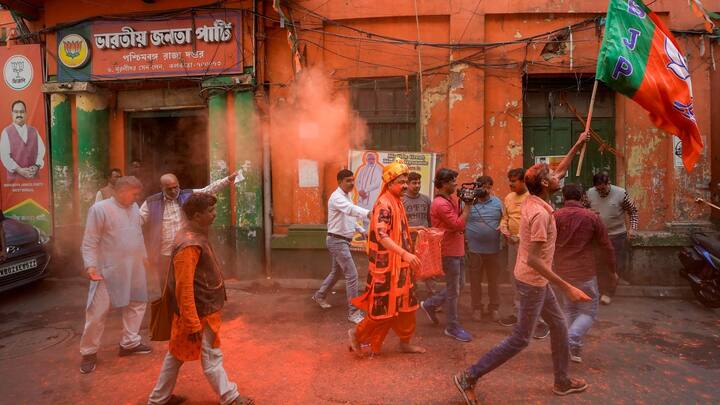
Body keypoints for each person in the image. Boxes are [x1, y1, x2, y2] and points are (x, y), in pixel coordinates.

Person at [453, 134, 592, 403]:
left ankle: (562, 381)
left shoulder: (534, 198)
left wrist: (577, 143)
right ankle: (468, 376)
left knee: (560, 326)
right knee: (520, 339)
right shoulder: (540, 214)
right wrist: (567, 286)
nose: (558, 176)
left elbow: (561, 169)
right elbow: (534, 261)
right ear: (544, 184)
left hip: (535, 281)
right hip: (532, 281)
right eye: (552, 175)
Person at [148, 193, 253, 405]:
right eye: (210, 211)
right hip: (199, 313)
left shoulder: (192, 234)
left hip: (196, 311)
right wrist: (192, 321)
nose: (215, 215)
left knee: (175, 355)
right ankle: (230, 397)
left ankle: (158, 399)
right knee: (211, 356)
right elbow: (183, 287)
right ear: (197, 216)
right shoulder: (189, 244)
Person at [349, 159, 425, 357]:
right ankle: (356, 335)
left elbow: (396, 230)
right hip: (386, 269)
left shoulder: (397, 201)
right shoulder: (385, 205)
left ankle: (405, 342)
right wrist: (405, 253)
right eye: (402, 182)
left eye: (407, 181)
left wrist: (415, 229)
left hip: (401, 268)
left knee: (408, 307)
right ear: (390, 183)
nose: (406, 186)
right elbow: (383, 236)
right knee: (381, 311)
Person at [79, 176, 151, 374]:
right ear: (121, 192)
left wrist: (143, 256)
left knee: (137, 303)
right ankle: (89, 352)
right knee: (97, 311)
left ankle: (129, 343)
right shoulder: (99, 209)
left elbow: (137, 233)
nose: (137, 198)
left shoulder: (134, 208)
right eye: (134, 194)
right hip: (107, 269)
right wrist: (90, 266)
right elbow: (90, 240)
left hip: (134, 265)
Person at [140, 172, 236, 300]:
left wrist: (228, 180)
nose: (174, 191)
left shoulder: (187, 195)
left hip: (186, 249)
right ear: (162, 188)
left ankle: (189, 314)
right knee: (167, 290)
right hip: (164, 254)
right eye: (169, 189)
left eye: (176, 187)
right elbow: (136, 221)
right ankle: (172, 316)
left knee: (189, 287)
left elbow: (208, 189)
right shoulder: (151, 203)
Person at [553, 183, 617, 363]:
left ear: (564, 197)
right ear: (582, 197)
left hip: (562, 272)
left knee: (569, 309)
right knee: (588, 312)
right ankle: (570, 339)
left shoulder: (555, 216)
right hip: (585, 272)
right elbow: (606, 246)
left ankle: (573, 349)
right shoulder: (591, 217)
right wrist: (612, 271)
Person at [420, 168, 473, 343]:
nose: (455, 184)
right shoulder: (440, 204)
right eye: (452, 181)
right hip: (448, 251)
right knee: (454, 290)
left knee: (459, 285)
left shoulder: (451, 198)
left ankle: (430, 304)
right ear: (443, 184)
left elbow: (459, 219)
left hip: (457, 248)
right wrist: (468, 205)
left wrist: (465, 202)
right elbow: (458, 224)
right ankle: (452, 326)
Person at [312, 169, 370, 324]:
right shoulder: (337, 198)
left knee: (336, 272)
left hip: (341, 240)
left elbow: (349, 216)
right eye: (348, 181)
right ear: (340, 182)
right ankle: (353, 312)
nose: (352, 183)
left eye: (353, 180)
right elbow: (351, 210)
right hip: (337, 241)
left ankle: (319, 295)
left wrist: (361, 230)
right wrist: (368, 213)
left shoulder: (347, 196)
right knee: (352, 275)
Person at [498, 168, 550, 339]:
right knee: (516, 279)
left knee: (534, 282)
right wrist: (504, 227)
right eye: (509, 180)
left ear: (523, 181)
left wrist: (519, 237)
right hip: (513, 246)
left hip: (530, 247)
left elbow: (535, 224)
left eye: (514, 180)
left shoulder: (533, 199)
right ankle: (518, 312)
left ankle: (540, 320)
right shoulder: (508, 197)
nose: (510, 184)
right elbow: (505, 217)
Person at [586, 171, 639, 305]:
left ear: (608, 183)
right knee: (598, 265)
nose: (601, 192)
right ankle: (599, 291)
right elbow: (583, 209)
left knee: (614, 266)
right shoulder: (589, 193)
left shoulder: (621, 193)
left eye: (603, 188)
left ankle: (608, 293)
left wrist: (632, 229)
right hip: (597, 237)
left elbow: (633, 212)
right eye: (598, 189)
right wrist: (588, 212)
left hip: (617, 236)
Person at [465, 175, 503, 322]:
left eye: (488, 187)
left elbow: (505, 220)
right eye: (482, 186)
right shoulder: (469, 203)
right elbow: (461, 219)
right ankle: (476, 308)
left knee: (494, 281)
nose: (485, 190)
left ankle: (494, 308)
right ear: (476, 187)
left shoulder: (497, 203)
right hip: (474, 250)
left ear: (491, 188)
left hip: (493, 250)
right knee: (475, 281)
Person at [402, 171, 436, 295]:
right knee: (409, 268)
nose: (417, 185)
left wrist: (431, 235)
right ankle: (411, 294)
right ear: (408, 184)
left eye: (419, 183)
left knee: (429, 269)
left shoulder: (426, 199)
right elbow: (400, 224)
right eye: (414, 183)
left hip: (424, 241)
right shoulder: (401, 200)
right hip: (408, 240)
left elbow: (430, 219)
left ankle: (433, 297)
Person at [0, 100, 46, 181]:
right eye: (16, 112)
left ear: (26, 113)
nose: (19, 114)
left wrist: (36, 166)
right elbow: (4, 156)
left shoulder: (34, 131)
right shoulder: (6, 132)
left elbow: (42, 150)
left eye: (22, 112)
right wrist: (19, 170)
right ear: (12, 113)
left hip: (34, 179)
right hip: (15, 182)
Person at [354, 151, 384, 218]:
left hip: (371, 197)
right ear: (366, 160)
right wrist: (359, 191)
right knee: (360, 216)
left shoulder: (379, 169)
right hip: (361, 197)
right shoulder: (362, 169)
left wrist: (364, 191)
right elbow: (357, 181)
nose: (371, 161)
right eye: (369, 159)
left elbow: (377, 183)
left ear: (375, 159)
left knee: (371, 216)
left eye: (373, 159)